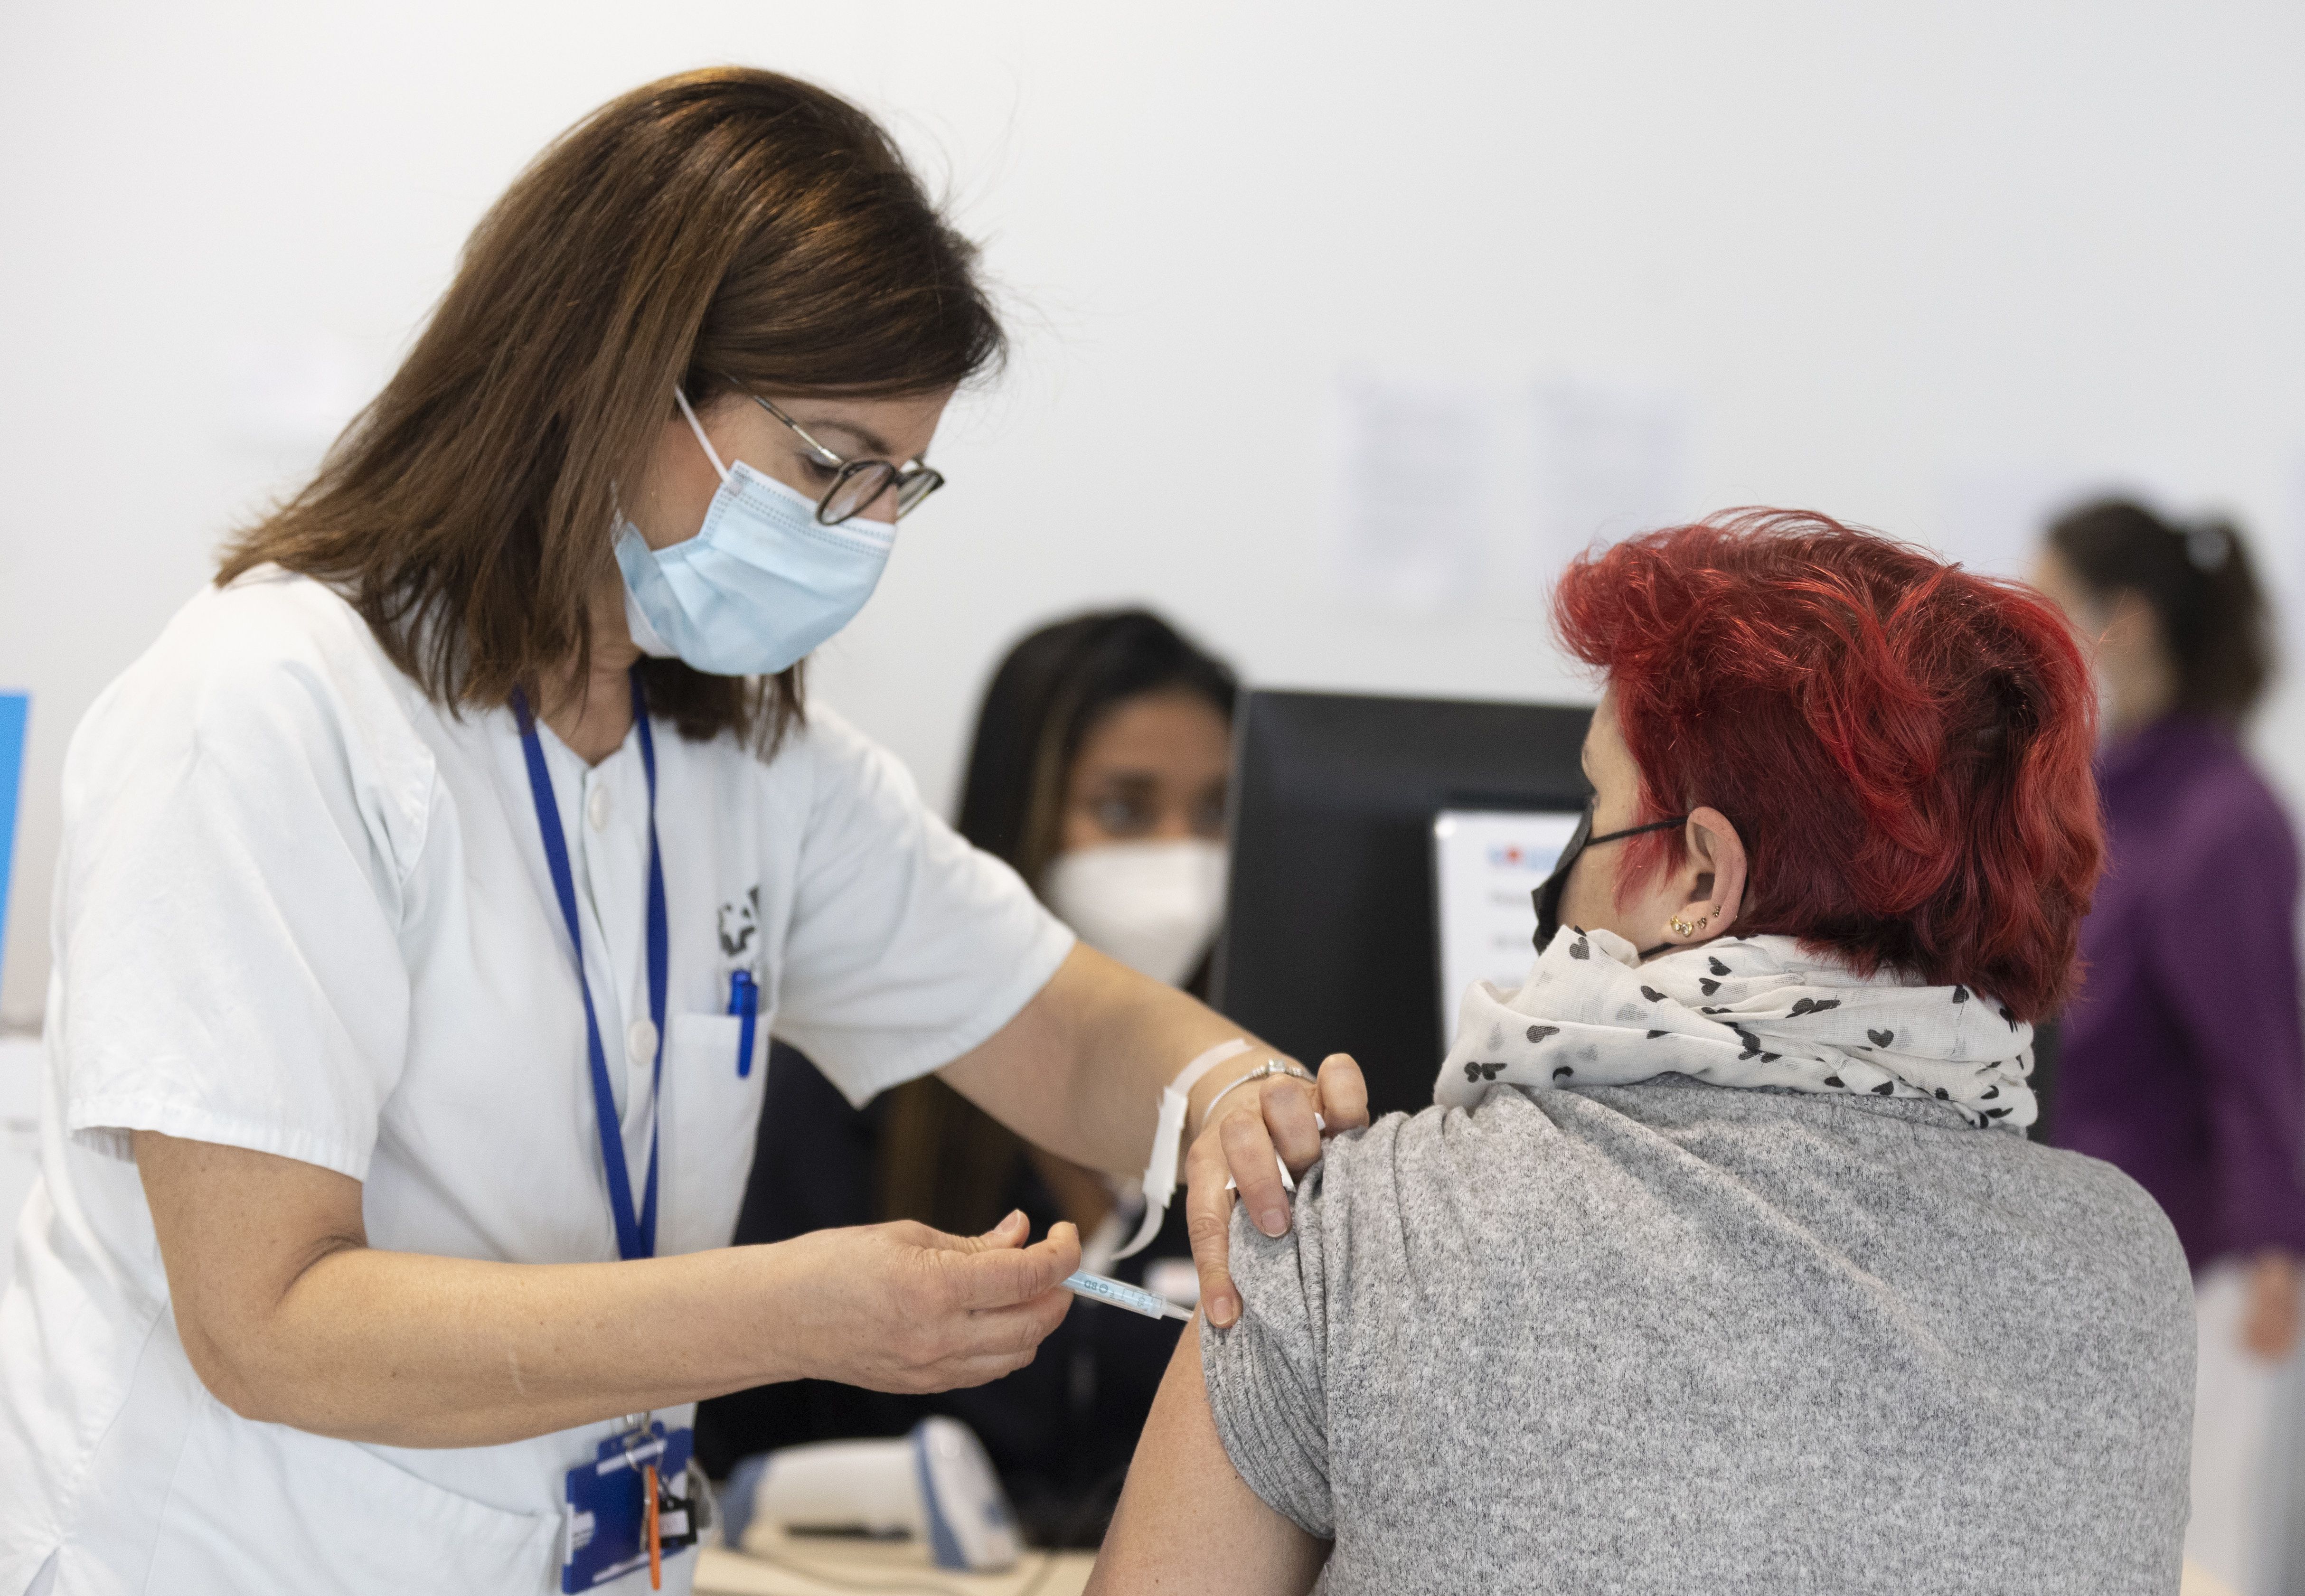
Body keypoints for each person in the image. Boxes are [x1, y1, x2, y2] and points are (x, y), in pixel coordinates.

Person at [0, 71, 1359, 1596]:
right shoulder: (266, 711)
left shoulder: (739, 755)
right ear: (622, 376)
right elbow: (266, 1323)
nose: (861, 536)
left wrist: (1225, 1094)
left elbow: (1051, 1022)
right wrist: (791, 1311)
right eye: (829, 468)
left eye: (897, 485)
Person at [1091, 510, 2197, 1596]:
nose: (1563, 863)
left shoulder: (1361, 1233)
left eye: (1594, 802)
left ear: (1703, 884)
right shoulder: (2123, 1267)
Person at [696, 608, 1237, 1544]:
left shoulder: (1252, 1110)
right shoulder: (830, 1105)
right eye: (1124, 808)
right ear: (1018, 814)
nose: (1180, 855)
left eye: (1217, 813)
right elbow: (725, 1453)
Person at [2032, 499, 2305, 1596]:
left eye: (2048, 609)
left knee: (2204, 1561)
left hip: (2206, 1272)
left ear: (2124, 623)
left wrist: (2272, 1252)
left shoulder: (2217, 817)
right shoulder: (2098, 792)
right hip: (2098, 1261)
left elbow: (2260, 1057)